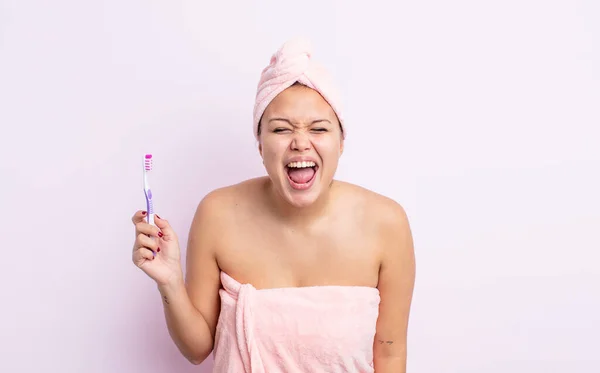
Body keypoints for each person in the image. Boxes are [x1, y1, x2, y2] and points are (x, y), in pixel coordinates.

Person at [131, 37, 416, 373]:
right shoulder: (217, 214)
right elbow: (196, 349)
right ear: (260, 144)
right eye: (281, 129)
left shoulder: (387, 224)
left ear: (341, 142)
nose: (300, 142)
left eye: (318, 128)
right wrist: (169, 282)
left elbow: (391, 355)